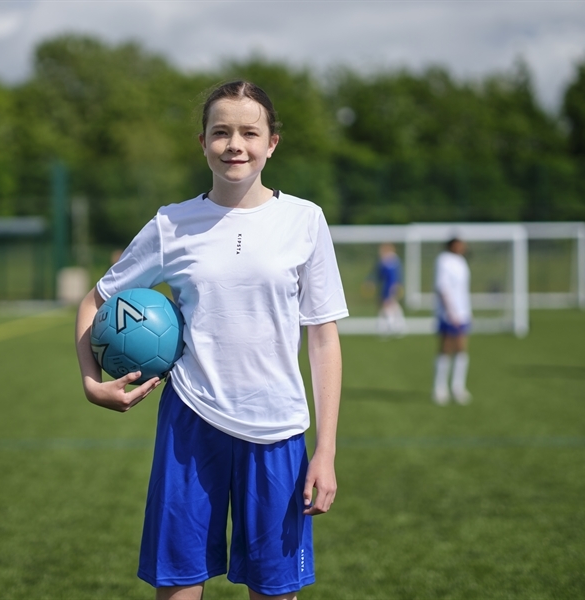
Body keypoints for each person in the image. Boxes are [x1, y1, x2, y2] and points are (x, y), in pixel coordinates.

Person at [74, 81, 348, 600]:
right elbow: (94, 301)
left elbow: (323, 338)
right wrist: (92, 382)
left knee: (275, 590)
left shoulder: (304, 221)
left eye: (249, 132)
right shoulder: (172, 224)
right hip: (190, 423)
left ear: (272, 143)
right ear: (202, 143)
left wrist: (326, 450)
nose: (235, 145)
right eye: (221, 132)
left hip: (277, 429)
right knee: (178, 585)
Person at [433, 238, 472, 405]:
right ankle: (439, 387)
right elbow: (443, 287)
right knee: (446, 348)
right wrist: (450, 311)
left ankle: (458, 387)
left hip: (463, 312)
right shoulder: (443, 260)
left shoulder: (461, 261)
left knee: (462, 348)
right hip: (449, 314)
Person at [373, 243, 406, 336]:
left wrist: (392, 290)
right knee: (393, 307)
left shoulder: (390, 262)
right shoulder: (386, 261)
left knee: (388, 307)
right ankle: (397, 327)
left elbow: (392, 278)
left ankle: (391, 327)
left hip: (390, 287)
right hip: (388, 287)